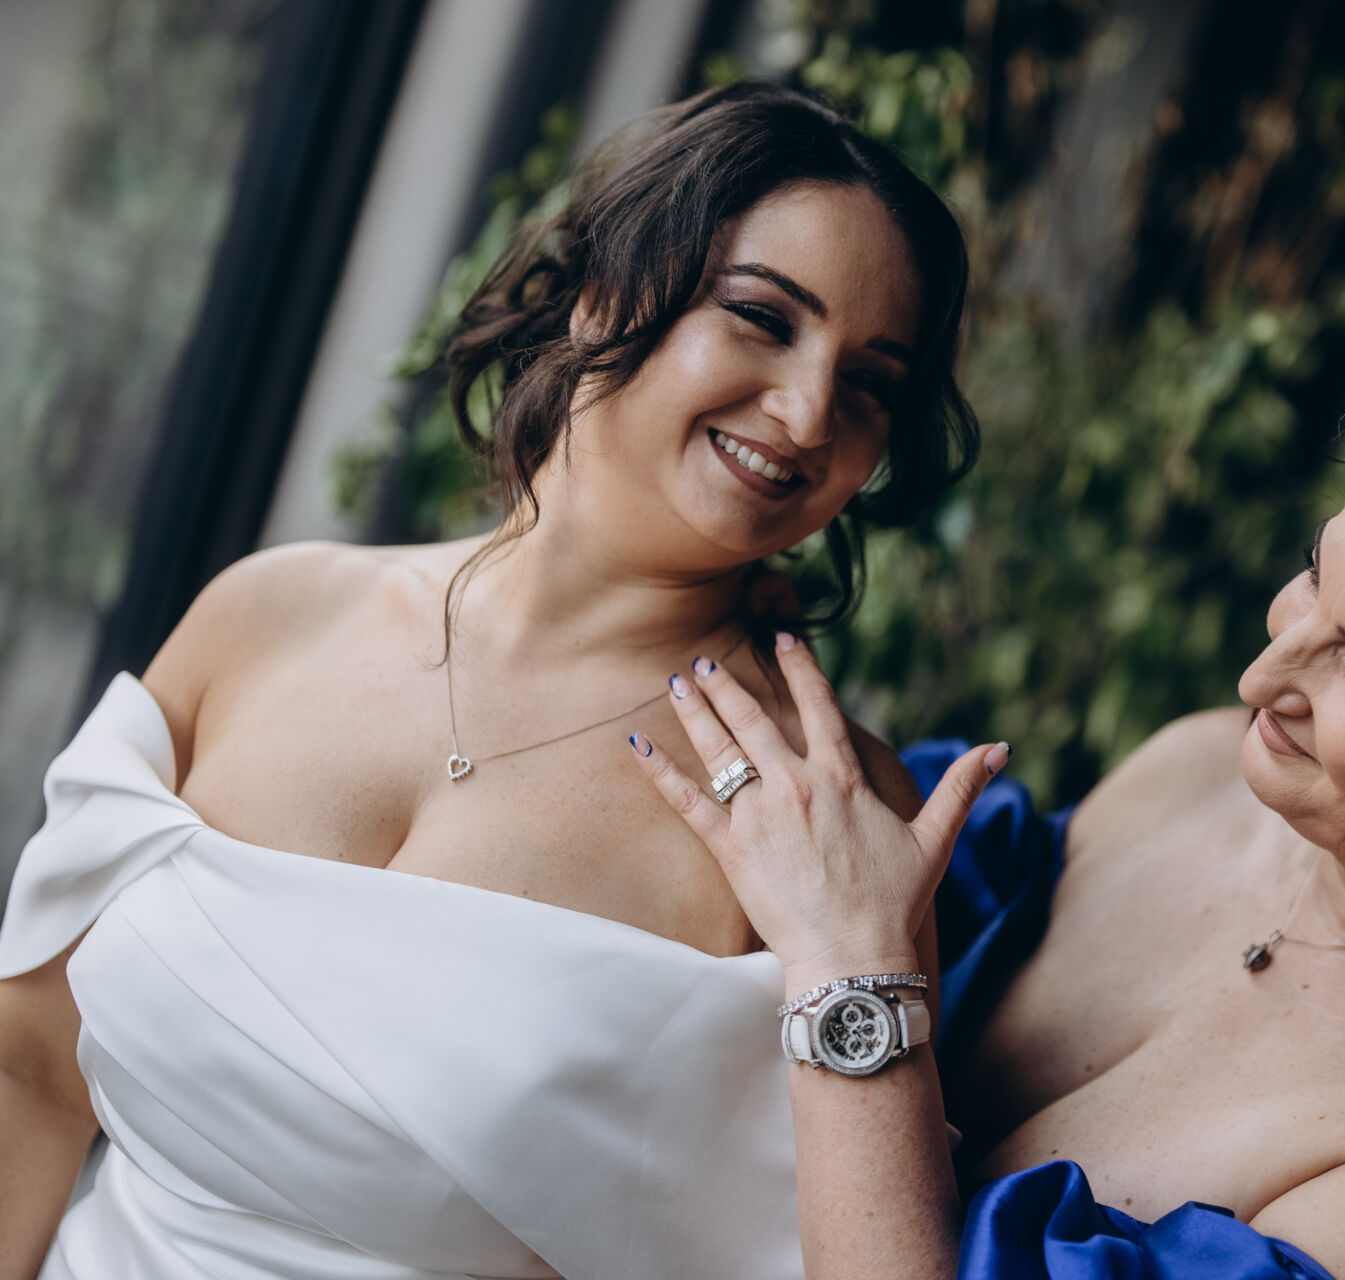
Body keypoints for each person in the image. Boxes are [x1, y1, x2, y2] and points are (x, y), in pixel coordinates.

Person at [0, 81, 975, 1280]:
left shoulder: (824, 815)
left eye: (870, 383)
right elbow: (31, 1069)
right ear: (607, 291)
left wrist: (858, 963)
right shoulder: (269, 613)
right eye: (763, 317)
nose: (810, 411)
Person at [634, 360, 1345, 1279]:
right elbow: (884, 884)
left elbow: (862, 957)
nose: (1262, 676)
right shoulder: (1205, 766)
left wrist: (852, 982)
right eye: (1315, 573)